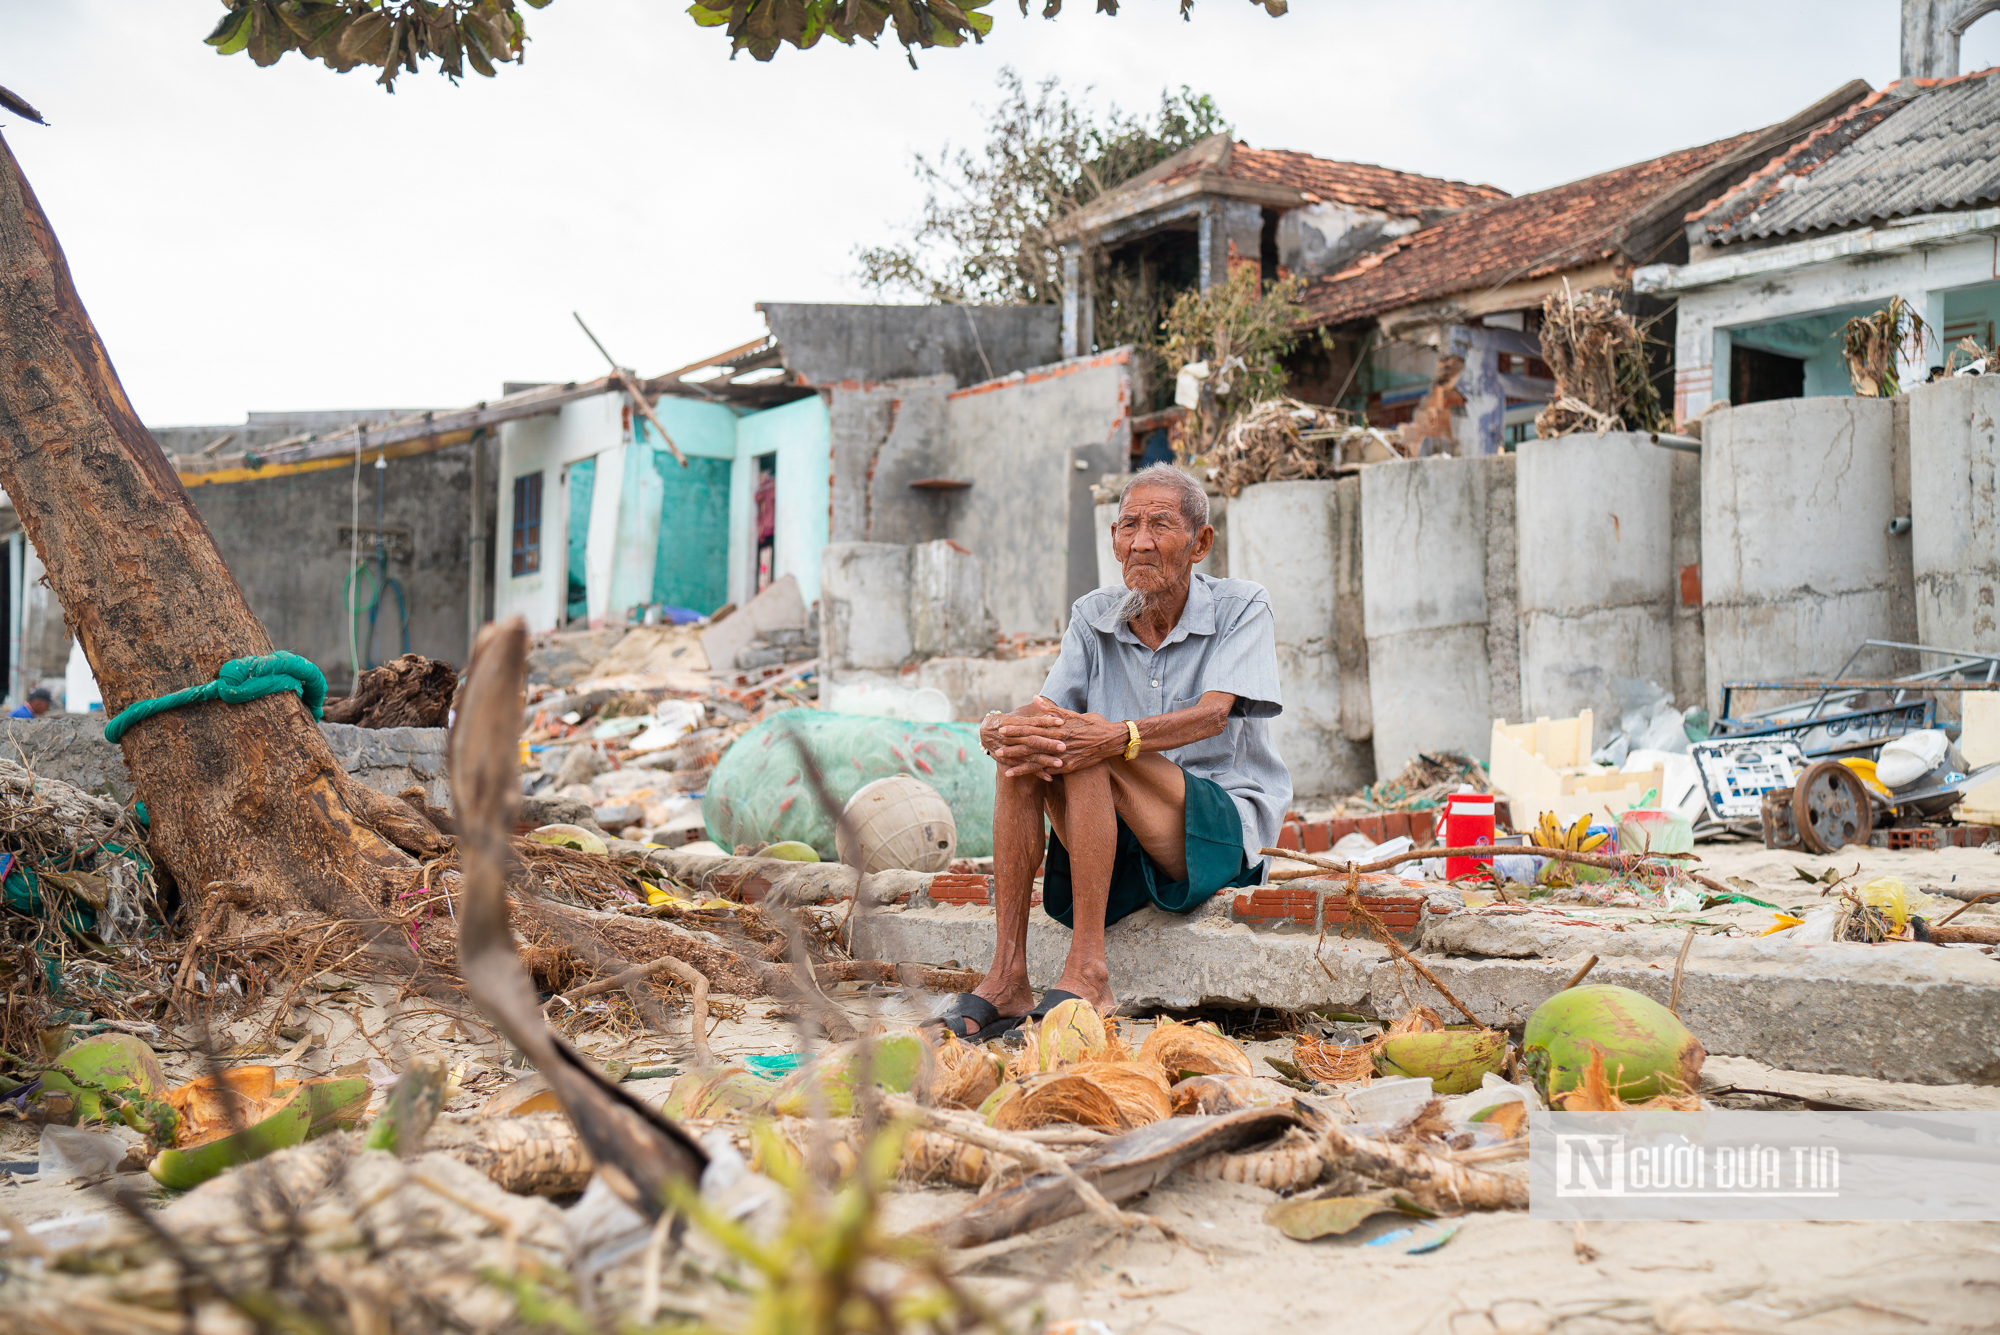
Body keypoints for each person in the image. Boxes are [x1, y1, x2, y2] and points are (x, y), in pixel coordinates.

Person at [932, 462, 1291, 1039]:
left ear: (1200, 543)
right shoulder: (1092, 614)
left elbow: (1212, 715)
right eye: (1129, 526)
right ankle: (1006, 975)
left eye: (1160, 525)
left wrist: (1117, 737)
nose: (1141, 542)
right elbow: (1044, 711)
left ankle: (1089, 970)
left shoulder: (1242, 605)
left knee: (1091, 742)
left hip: (1215, 831)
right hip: (1115, 832)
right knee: (1026, 754)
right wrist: (999, 728)